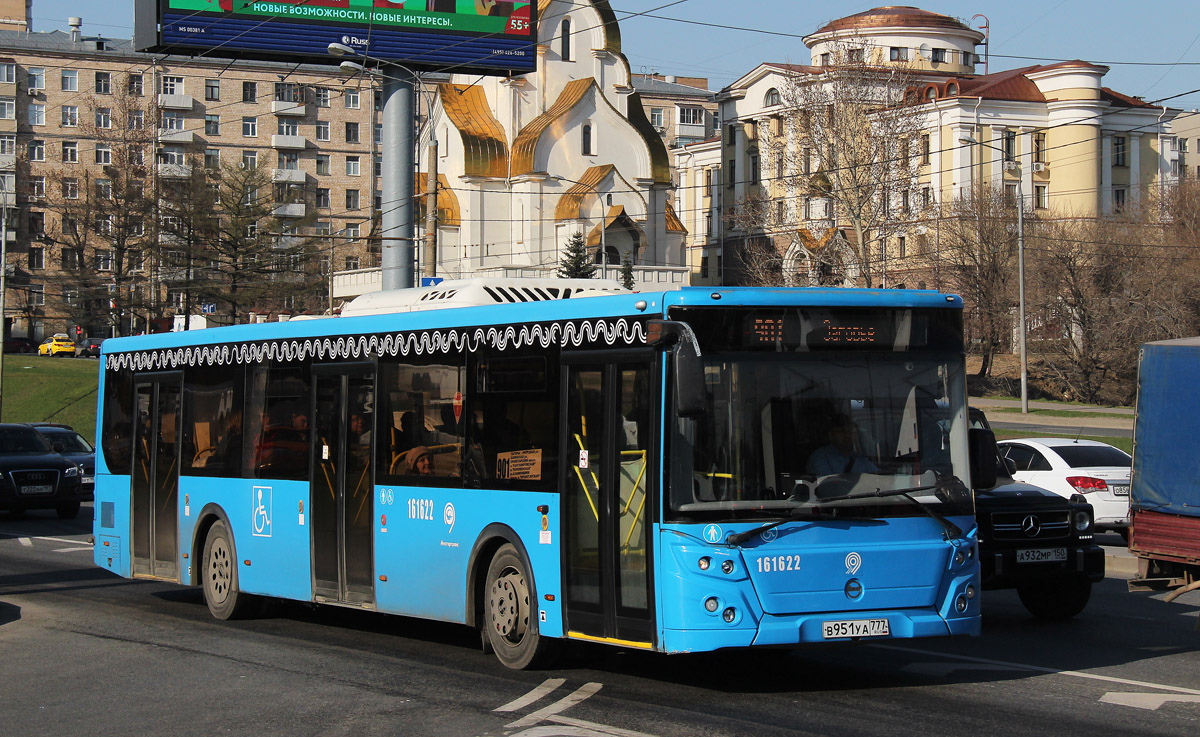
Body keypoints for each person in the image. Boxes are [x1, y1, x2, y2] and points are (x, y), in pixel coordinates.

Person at [805, 414, 878, 476]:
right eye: (841, 431)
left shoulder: (858, 458)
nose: (847, 434)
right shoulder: (820, 457)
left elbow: (877, 476)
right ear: (831, 435)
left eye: (849, 430)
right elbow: (825, 487)